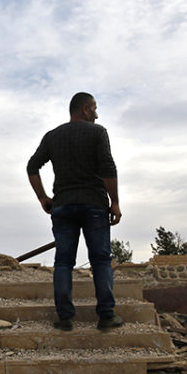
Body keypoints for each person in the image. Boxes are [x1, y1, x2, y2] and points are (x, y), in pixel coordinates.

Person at [26, 92, 122, 331]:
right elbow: (108, 168)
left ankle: (65, 318)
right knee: (100, 260)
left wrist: (43, 198)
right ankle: (107, 316)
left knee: (63, 262)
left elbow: (32, 166)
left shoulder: (52, 136)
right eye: (95, 108)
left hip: (63, 206)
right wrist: (115, 202)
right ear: (85, 109)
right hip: (94, 205)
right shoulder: (98, 133)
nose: (97, 114)